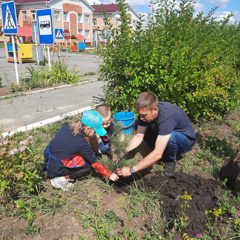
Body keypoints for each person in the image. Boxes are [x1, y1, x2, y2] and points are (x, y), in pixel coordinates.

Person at [117, 92, 196, 177]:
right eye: (140, 115)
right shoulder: (147, 111)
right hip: (166, 133)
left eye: (144, 115)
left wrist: (132, 169)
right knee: (138, 123)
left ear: (155, 109)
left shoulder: (166, 116)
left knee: (170, 138)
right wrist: (121, 151)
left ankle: (170, 160)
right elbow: (138, 136)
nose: (141, 118)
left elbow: (158, 153)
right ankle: (157, 150)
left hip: (184, 140)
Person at [43, 110, 119, 191]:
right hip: (56, 167)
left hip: (48, 158)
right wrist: (110, 175)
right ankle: (60, 180)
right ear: (87, 128)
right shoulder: (80, 143)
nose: (95, 134)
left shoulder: (67, 126)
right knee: (90, 165)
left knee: (86, 156)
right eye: (95, 131)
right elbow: (95, 163)